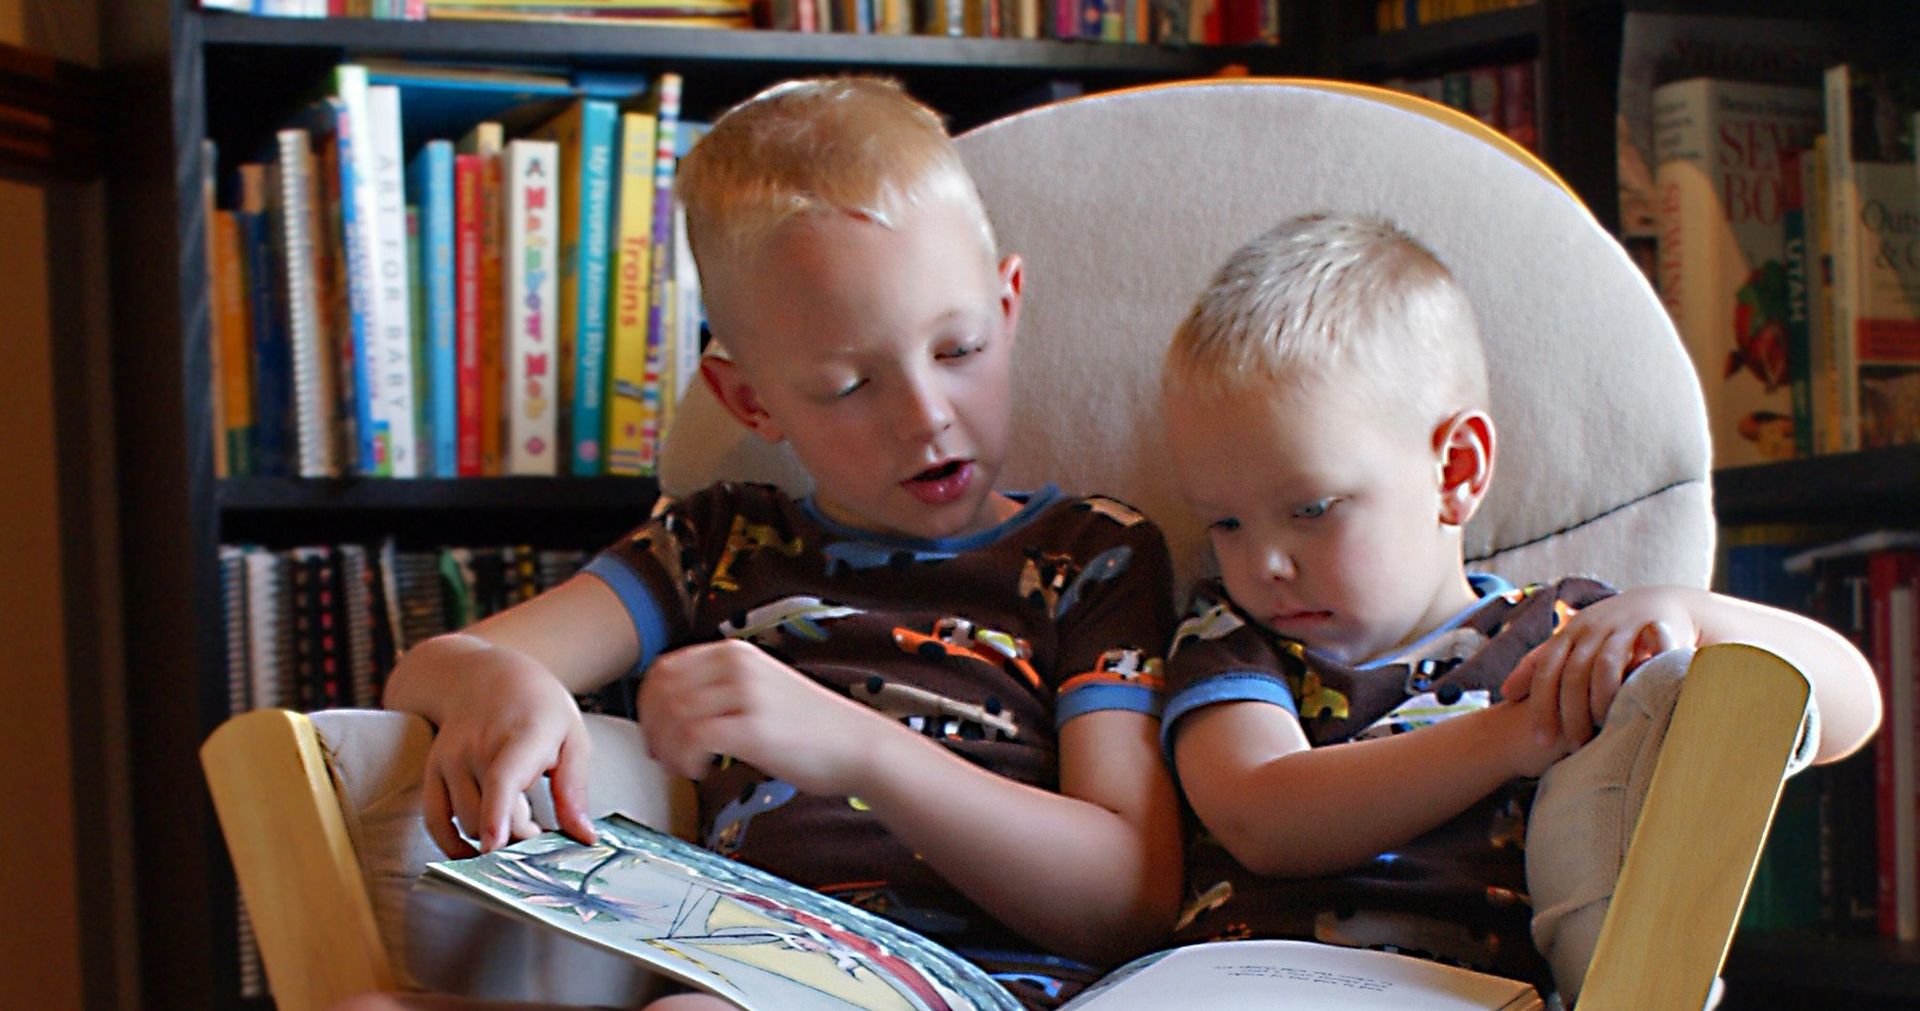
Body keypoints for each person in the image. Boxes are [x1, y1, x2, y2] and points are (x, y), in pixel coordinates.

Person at [338, 77, 1182, 1011]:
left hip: (985, 987)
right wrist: (495, 680)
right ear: (750, 400)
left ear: (1009, 305)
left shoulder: (1090, 554)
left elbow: (1127, 898)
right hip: (745, 974)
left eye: (958, 350)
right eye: (847, 385)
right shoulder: (721, 541)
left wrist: (853, 747)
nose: (926, 415)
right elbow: (430, 667)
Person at [1153, 212, 1881, 992]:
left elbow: (1851, 707)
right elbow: (1263, 818)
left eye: (1312, 508)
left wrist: (1689, 613)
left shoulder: (1563, 635)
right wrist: (1517, 733)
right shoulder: (1230, 637)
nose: (1263, 562)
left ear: (1457, 469)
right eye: (1224, 522)